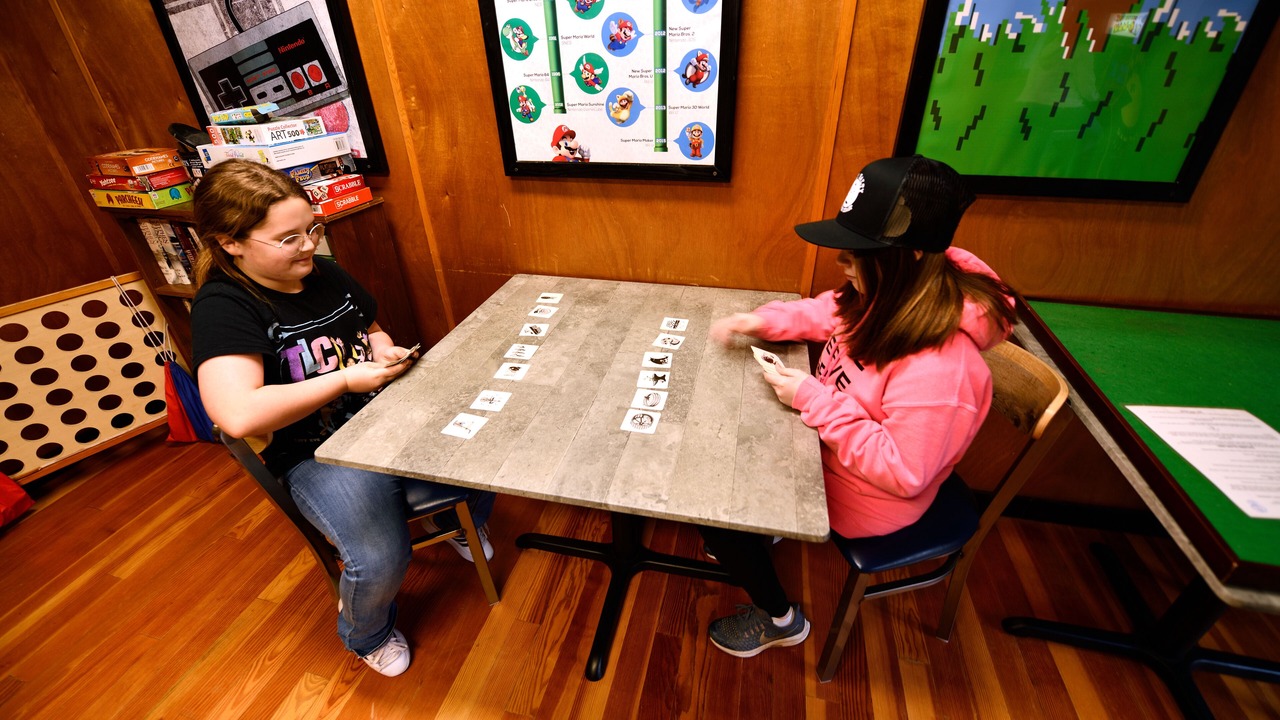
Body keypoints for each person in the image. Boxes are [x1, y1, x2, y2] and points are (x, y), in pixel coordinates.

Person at [189, 159, 496, 677]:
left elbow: (367, 323)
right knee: (378, 558)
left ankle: (455, 522)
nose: (309, 245)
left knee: (485, 440)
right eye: (287, 239)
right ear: (230, 243)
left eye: (311, 228)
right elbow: (237, 415)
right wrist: (344, 381)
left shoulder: (320, 272)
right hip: (314, 451)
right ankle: (366, 634)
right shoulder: (226, 307)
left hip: (381, 416)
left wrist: (381, 347)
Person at [703, 155, 1016, 658]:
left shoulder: (942, 368)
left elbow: (903, 472)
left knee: (714, 496)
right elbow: (829, 310)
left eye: (853, 255)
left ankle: (778, 619)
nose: (840, 265)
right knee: (724, 461)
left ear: (902, 259)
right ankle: (751, 540)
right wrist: (760, 321)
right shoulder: (885, 295)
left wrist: (811, 397)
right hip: (825, 450)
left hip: (867, 498)